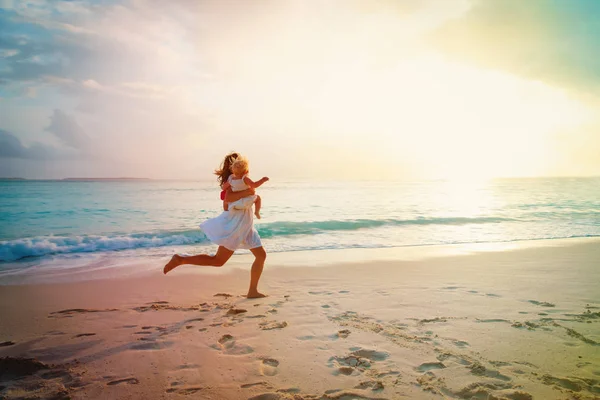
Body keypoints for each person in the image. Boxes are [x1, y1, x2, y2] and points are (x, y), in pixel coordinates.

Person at [163, 152, 268, 299]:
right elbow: (229, 198)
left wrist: (249, 191)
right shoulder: (232, 181)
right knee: (218, 261)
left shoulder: (240, 180)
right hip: (236, 224)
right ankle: (181, 259)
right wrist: (248, 192)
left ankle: (252, 291)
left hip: (245, 223)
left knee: (261, 255)